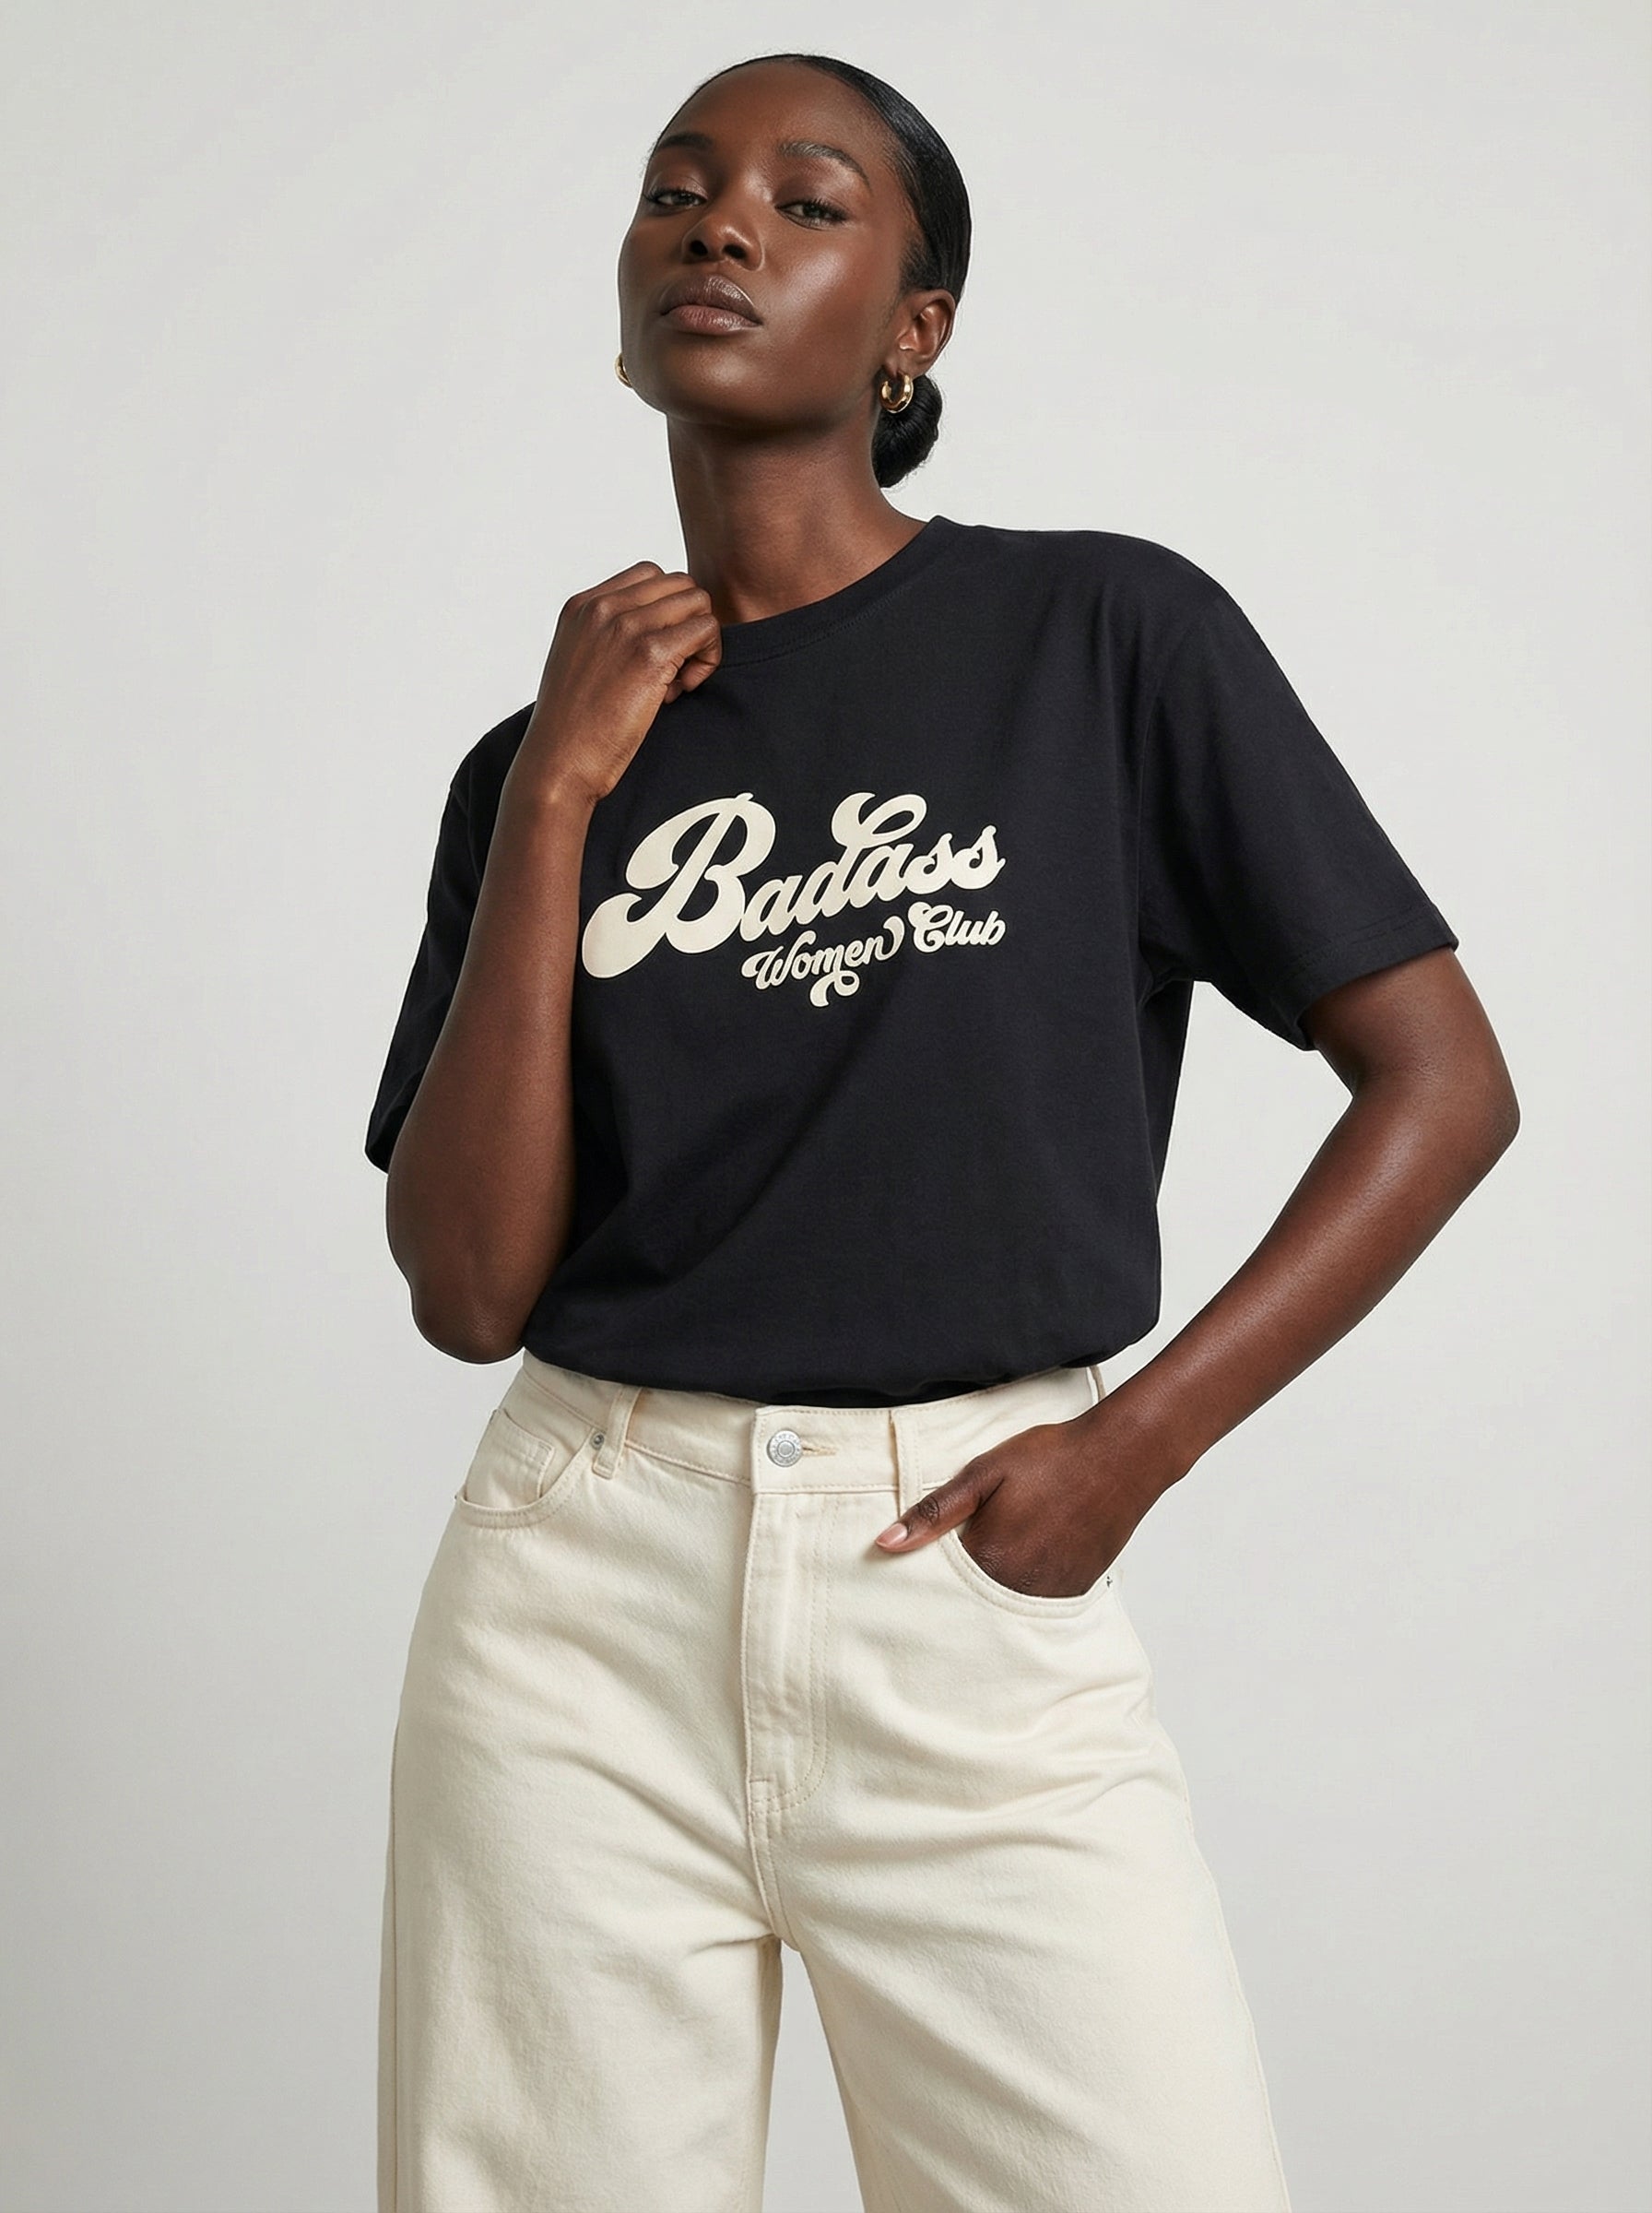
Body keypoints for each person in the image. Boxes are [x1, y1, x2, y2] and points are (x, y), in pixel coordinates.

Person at [363, 48, 1519, 2213]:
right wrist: (552, 800)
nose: (721, 224)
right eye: (676, 191)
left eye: (804, 202)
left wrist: (1133, 1447)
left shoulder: (1099, 637)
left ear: (915, 330)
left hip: (960, 1566)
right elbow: (466, 1287)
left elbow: (1444, 1082)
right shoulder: (530, 764)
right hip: (575, 1596)